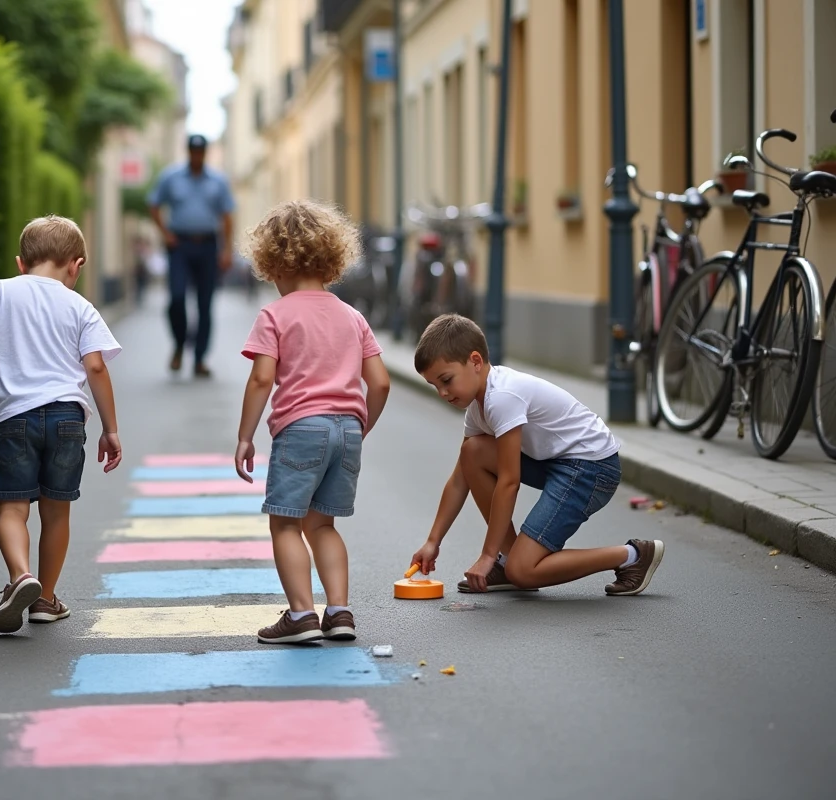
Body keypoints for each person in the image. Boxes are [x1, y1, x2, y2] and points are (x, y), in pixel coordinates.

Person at [0, 215, 123, 634]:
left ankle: (21, 575)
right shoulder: (81, 306)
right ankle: (45, 599)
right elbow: (94, 366)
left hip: (14, 419)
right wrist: (110, 429)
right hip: (67, 420)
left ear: (21, 263)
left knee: (13, 509)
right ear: (76, 265)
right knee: (57, 513)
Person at [408, 313, 665, 597]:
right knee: (472, 453)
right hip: (557, 462)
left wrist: (486, 555)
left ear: (476, 362)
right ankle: (506, 560)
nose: (442, 393)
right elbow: (460, 480)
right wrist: (433, 541)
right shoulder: (477, 409)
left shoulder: (502, 397)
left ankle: (633, 555)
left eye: (446, 380)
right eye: (435, 386)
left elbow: (509, 481)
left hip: (591, 468)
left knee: (523, 572)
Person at [235, 200, 392, 644]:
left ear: (274, 264)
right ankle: (339, 612)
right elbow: (378, 384)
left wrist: (246, 436)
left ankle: (302, 615)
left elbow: (263, 377)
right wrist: (362, 426)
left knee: (285, 523)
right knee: (323, 525)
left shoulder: (276, 314)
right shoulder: (352, 315)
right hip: (347, 431)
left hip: (301, 428)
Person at [147, 134, 236, 377]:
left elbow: (227, 216)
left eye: (200, 151)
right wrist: (165, 232)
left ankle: (199, 359)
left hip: (208, 246)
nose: (197, 155)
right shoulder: (171, 176)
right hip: (180, 246)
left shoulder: (218, 181)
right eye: (193, 151)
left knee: (205, 304)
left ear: (205, 153)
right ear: (188, 152)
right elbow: (153, 204)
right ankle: (179, 344)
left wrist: (227, 249)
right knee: (176, 297)